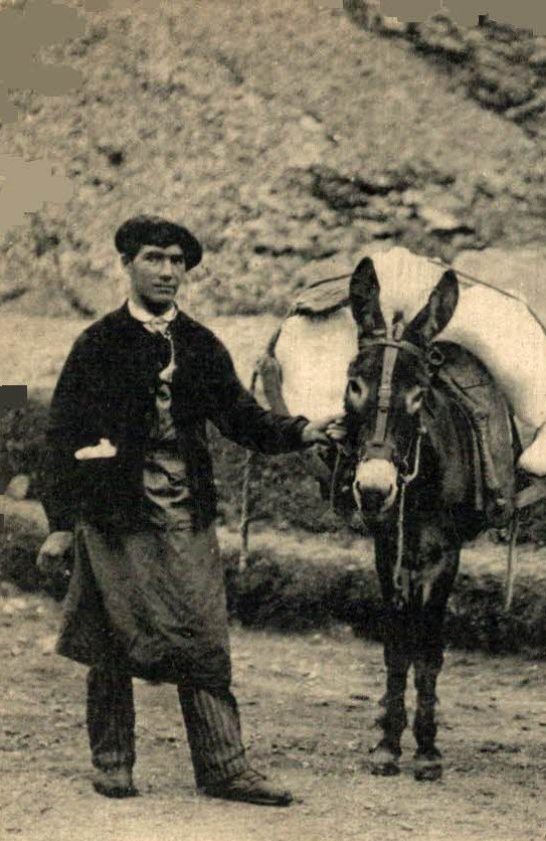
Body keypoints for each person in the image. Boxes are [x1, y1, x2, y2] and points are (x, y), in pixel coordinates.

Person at [35, 215, 343, 806]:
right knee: (110, 638)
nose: (169, 271)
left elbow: (242, 417)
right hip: (113, 517)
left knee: (203, 635)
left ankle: (225, 768)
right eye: (155, 258)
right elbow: (61, 436)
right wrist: (57, 524)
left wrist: (302, 430)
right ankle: (114, 761)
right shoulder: (97, 344)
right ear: (126, 264)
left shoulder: (200, 344)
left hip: (184, 516)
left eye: (179, 261)